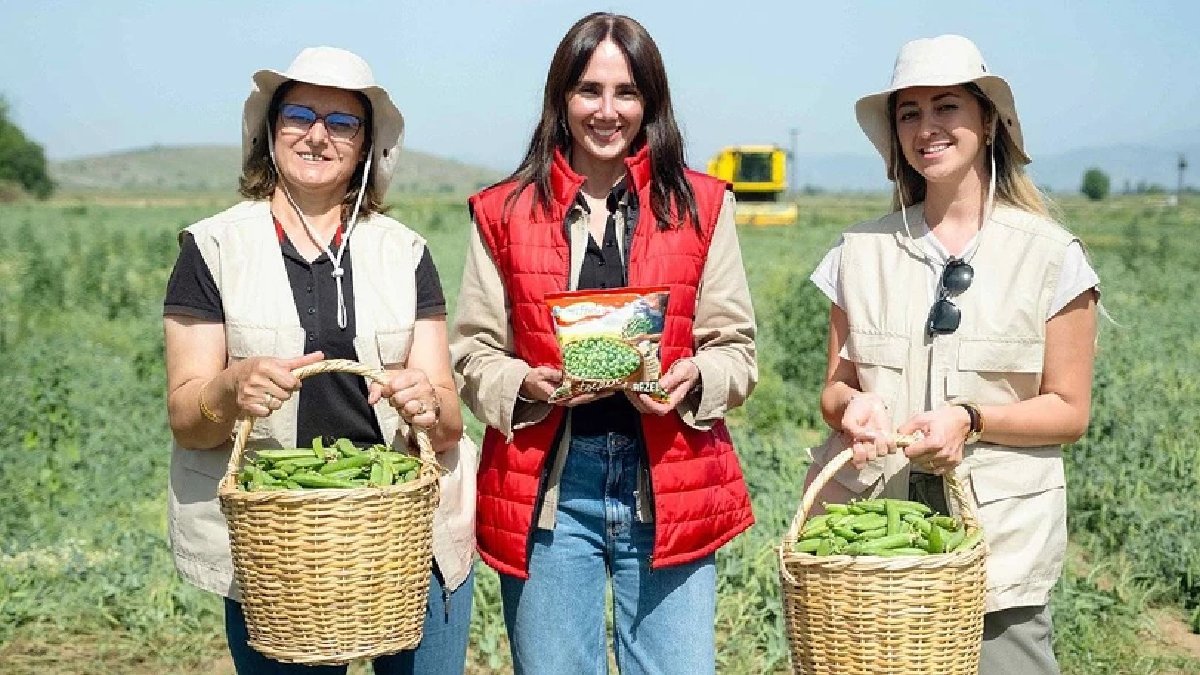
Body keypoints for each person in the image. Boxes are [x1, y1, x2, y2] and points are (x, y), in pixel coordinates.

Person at [451, 12, 757, 675]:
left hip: (667, 482)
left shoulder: (703, 205)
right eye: (589, 90)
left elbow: (736, 348)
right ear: (562, 98)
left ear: (651, 101)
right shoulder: (502, 211)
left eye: (627, 92)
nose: (608, 110)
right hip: (554, 493)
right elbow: (473, 353)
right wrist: (527, 386)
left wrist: (690, 380)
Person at [162, 46, 476, 674]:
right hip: (284, 545)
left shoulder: (404, 251)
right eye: (299, 114)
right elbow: (187, 419)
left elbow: (448, 423)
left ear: (365, 147)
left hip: (405, 530)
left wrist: (426, 400)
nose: (317, 135)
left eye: (341, 122)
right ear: (269, 132)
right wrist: (227, 389)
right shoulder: (215, 247)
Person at [806, 35, 1100, 674]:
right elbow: (834, 390)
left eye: (946, 108)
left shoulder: (1051, 257)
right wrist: (852, 408)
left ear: (988, 120)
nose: (926, 128)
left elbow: (1070, 410)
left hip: (1000, 546)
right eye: (909, 113)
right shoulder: (859, 252)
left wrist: (971, 418)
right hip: (874, 545)